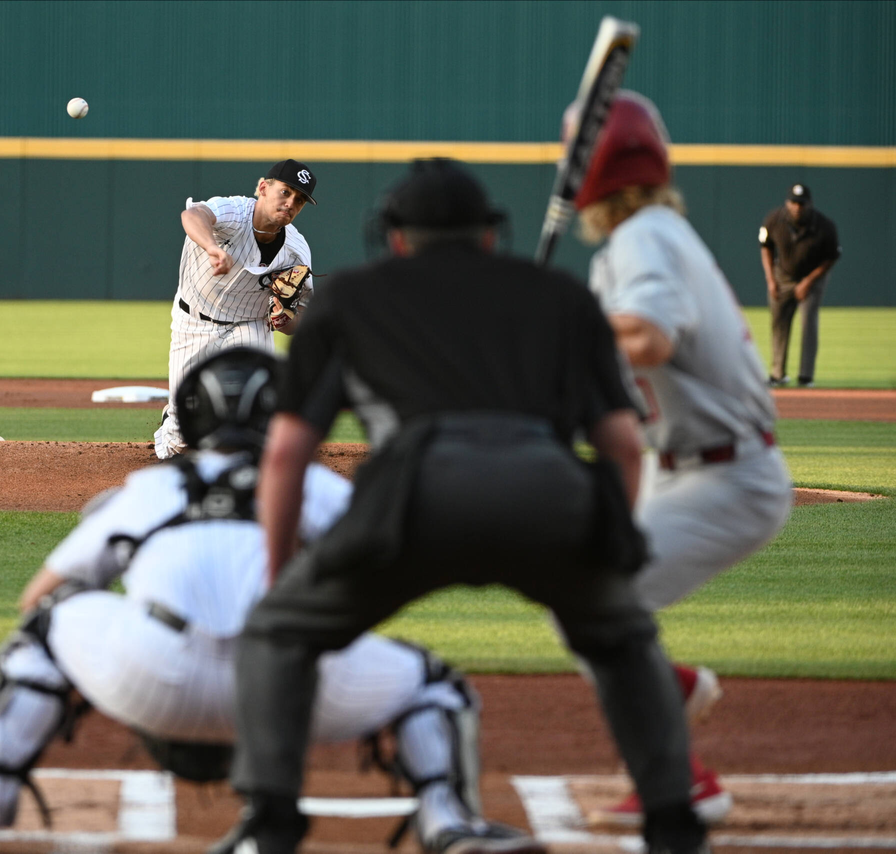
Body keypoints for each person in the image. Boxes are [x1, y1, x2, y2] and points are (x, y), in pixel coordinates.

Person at [217, 158, 708, 854]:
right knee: (626, 643)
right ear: (487, 235)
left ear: (394, 236)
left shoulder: (350, 297)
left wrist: (278, 579)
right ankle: (674, 823)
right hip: (550, 494)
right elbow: (625, 448)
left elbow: (286, 454)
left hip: (413, 499)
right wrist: (611, 553)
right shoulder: (559, 296)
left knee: (278, 634)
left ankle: (270, 821)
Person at [0, 347, 536, 854]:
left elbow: (40, 596)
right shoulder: (316, 487)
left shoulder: (150, 488)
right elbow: (385, 579)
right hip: (290, 690)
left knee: (43, 631)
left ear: (191, 416)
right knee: (435, 684)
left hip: (150, 676)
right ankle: (449, 822)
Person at [564, 91, 794, 829]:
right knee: (584, 596)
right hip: (683, 464)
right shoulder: (646, 236)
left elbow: (649, 339)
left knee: (600, 606)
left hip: (728, 474)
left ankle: (683, 780)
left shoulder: (642, 239)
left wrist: (559, 337)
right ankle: (670, 685)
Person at [153, 160, 317, 460]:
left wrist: (286, 318)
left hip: (249, 324)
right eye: (286, 192)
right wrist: (212, 247)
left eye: (300, 199)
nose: (291, 203)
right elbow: (193, 215)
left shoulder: (296, 251)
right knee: (177, 443)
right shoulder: (234, 211)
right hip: (195, 321)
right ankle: (170, 421)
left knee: (261, 413)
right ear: (264, 188)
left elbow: (300, 319)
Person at [760, 183, 841, 387]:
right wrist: (771, 280)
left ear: (809, 204)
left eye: (802, 203)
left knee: (808, 323)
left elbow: (831, 257)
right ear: (787, 203)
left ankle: (806, 376)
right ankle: (778, 375)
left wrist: (807, 282)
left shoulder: (824, 226)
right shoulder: (774, 220)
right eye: (794, 202)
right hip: (783, 275)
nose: (798, 207)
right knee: (778, 322)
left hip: (813, 278)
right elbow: (765, 247)